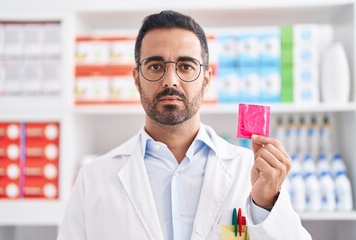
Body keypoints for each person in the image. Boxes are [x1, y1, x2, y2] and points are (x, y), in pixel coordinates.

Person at [57, 10, 312, 240]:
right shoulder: (94, 179)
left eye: (186, 66)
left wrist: (265, 203)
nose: (171, 80)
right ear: (136, 78)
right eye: (155, 66)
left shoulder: (249, 172)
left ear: (206, 78)